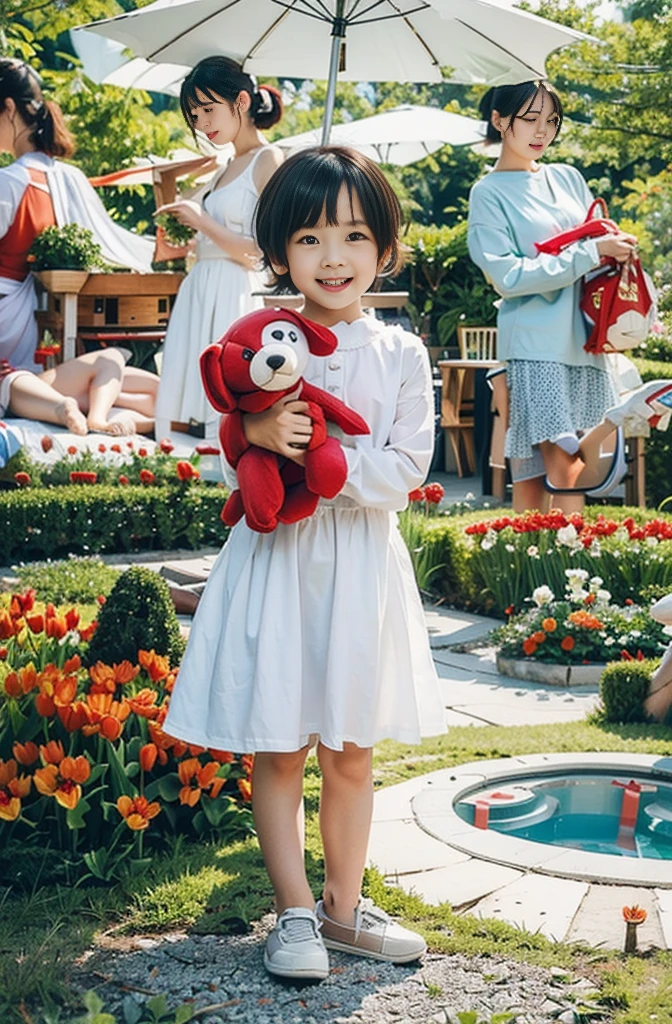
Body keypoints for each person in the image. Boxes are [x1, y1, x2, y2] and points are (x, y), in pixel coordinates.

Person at [164, 146, 445, 980]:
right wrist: (251, 437)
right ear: (281, 250)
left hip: (357, 566)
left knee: (350, 749)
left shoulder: (400, 353)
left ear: (384, 251)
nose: (334, 258)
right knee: (280, 747)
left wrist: (326, 465)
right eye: (313, 238)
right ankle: (293, 915)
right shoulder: (260, 340)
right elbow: (224, 445)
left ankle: (345, 910)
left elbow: (406, 468)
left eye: (355, 237)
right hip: (278, 562)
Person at [467, 80, 672, 513]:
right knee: (564, 469)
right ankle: (564, 575)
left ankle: (527, 573)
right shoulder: (488, 193)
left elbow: (588, 256)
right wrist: (588, 253)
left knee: (538, 474)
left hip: (585, 342)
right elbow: (507, 276)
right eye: (529, 119)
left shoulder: (568, 178)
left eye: (551, 121)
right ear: (499, 120)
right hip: (535, 346)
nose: (542, 131)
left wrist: (610, 250)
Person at [0, 58, 159, 435]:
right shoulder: (71, 180)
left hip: (8, 316)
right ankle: (116, 414)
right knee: (122, 376)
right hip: (46, 321)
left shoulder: (10, 182)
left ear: (8, 109)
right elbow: (113, 246)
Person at [153, 56, 284, 440]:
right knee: (189, 403)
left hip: (234, 290)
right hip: (201, 285)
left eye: (208, 110)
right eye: (194, 115)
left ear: (241, 102)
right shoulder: (223, 167)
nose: (202, 123)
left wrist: (202, 220)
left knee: (224, 405)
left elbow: (264, 253)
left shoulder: (268, 159)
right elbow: (197, 238)